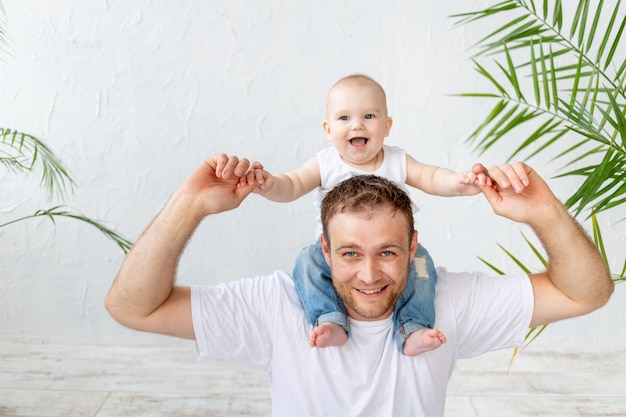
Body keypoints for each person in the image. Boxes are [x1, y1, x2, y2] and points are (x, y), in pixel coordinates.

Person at [105, 154, 613, 417]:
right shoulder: (275, 305)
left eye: (387, 253)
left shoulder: (448, 301)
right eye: (350, 254)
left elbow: (585, 292)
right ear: (324, 252)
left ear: (414, 248)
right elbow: (133, 308)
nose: (369, 276)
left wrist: (544, 212)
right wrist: (190, 203)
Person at [239, 74, 481, 355]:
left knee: (422, 267)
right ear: (328, 129)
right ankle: (330, 319)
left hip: (389, 251)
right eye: (344, 118)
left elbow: (430, 176)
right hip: (339, 252)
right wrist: (269, 185)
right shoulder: (325, 163)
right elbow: (291, 185)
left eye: (368, 116)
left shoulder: (396, 160)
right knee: (306, 263)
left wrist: (457, 183)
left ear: (387, 126)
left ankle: (412, 326)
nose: (357, 124)